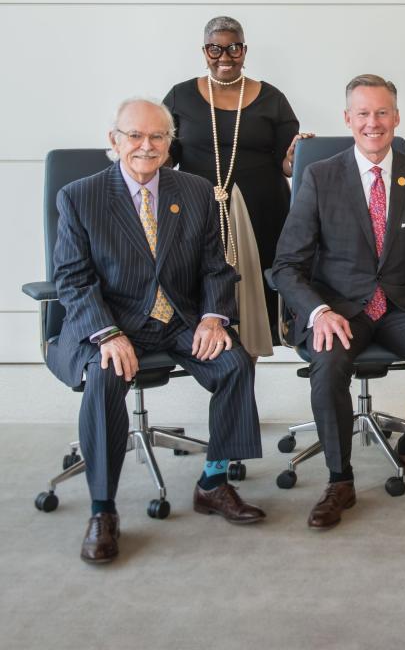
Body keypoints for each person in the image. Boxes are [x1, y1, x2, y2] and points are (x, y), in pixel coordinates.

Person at [47, 99, 266, 564]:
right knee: (106, 378)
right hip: (113, 323)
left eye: (158, 137)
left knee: (234, 362)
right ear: (114, 140)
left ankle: (213, 482)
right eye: (135, 136)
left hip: (180, 319)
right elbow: (72, 279)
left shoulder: (196, 191)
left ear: (170, 144)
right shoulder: (79, 196)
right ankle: (103, 510)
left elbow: (216, 269)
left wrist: (213, 317)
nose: (146, 146)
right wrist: (105, 333)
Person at [272, 75, 405, 530]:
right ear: (347, 119)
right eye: (363, 113)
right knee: (327, 366)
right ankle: (340, 479)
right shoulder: (321, 176)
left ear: (397, 118)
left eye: (382, 113)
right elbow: (286, 264)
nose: (373, 123)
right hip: (338, 309)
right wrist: (318, 312)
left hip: (403, 305)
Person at [163, 16, 312, 356]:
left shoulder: (272, 98)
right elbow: (166, 156)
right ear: (204, 51)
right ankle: (219, 369)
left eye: (234, 48)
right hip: (198, 210)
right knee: (204, 288)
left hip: (261, 214)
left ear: (244, 50)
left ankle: (243, 376)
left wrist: (295, 155)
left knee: (255, 292)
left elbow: (287, 167)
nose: (225, 57)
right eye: (215, 48)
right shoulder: (180, 96)